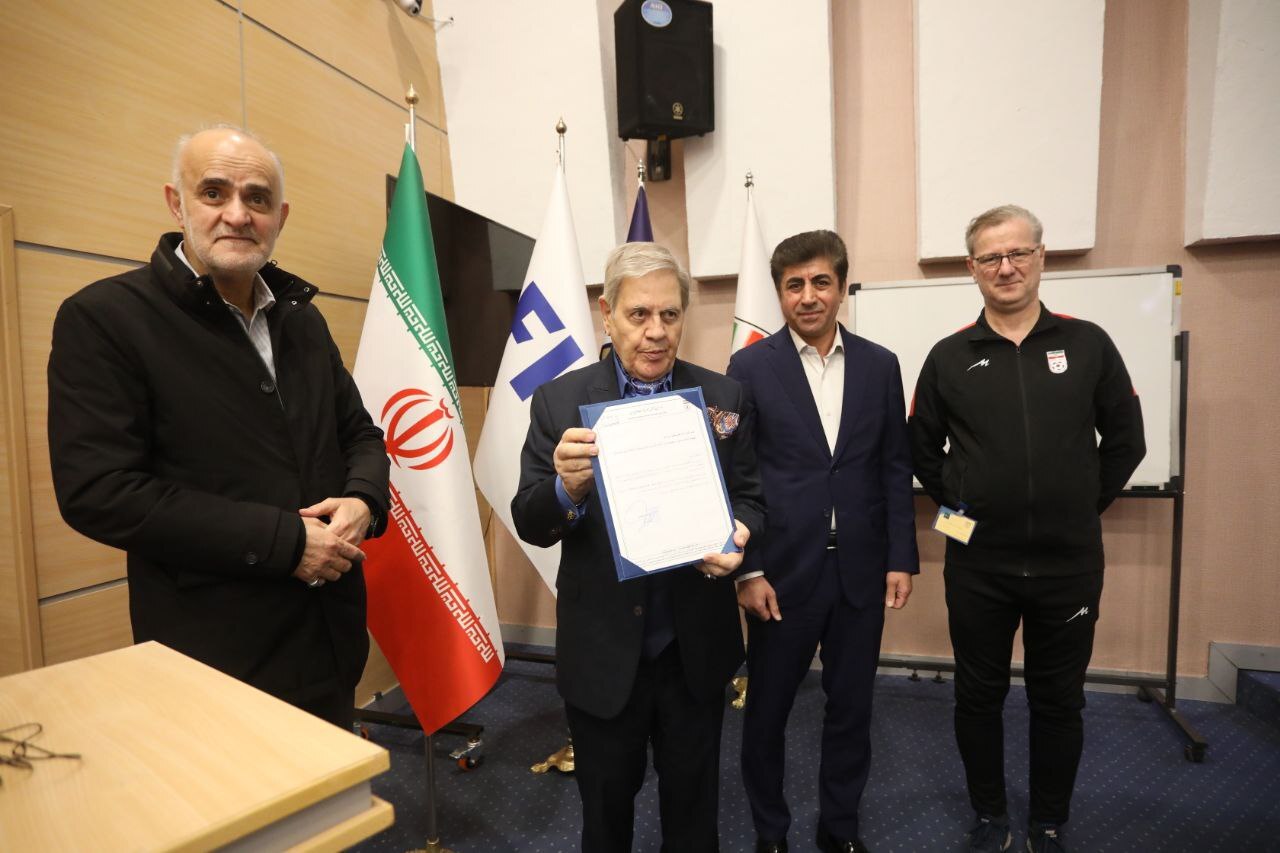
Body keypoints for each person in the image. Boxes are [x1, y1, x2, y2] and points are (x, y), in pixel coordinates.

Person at [47, 126, 390, 730]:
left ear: (279, 217)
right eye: (213, 192)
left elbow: (360, 433)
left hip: (330, 643)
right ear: (176, 203)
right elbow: (99, 492)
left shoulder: (303, 323)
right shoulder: (104, 319)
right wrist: (287, 543)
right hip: (212, 660)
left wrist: (363, 500)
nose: (237, 214)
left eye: (257, 198)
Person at [512, 241, 764, 853]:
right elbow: (530, 519)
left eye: (670, 315)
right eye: (639, 315)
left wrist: (740, 538)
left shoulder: (724, 398)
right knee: (604, 818)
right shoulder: (559, 402)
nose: (656, 332)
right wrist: (567, 489)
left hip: (694, 649)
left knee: (694, 814)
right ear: (608, 315)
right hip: (602, 652)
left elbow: (752, 498)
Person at [909, 205, 1146, 853]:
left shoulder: (1089, 343)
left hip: (1069, 566)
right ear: (972, 268)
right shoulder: (948, 356)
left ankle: (1048, 820)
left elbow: (1127, 442)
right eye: (991, 257)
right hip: (977, 566)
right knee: (977, 695)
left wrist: (1078, 508)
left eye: (1018, 253)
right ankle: (990, 815)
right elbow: (922, 452)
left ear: (1041, 257)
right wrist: (962, 516)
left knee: (1059, 699)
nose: (1006, 267)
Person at [727, 230, 919, 853]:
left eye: (820, 282)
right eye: (794, 285)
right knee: (767, 714)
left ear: (840, 288)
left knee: (852, 711)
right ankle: (771, 833)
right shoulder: (750, 368)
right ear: (780, 294)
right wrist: (748, 570)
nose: (807, 296)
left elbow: (894, 467)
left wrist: (900, 557)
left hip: (860, 571)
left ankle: (840, 830)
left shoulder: (880, 365)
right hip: (781, 575)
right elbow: (738, 474)